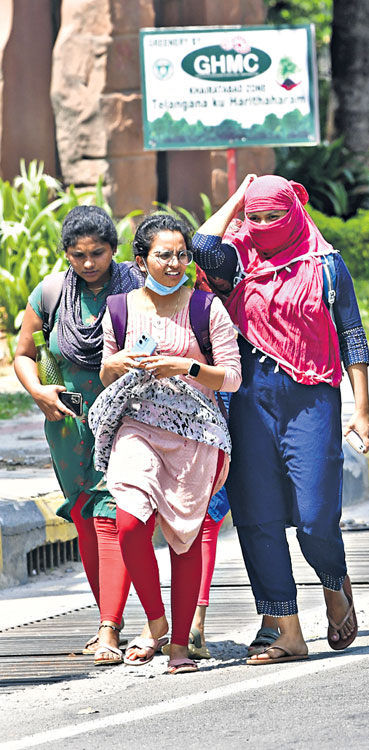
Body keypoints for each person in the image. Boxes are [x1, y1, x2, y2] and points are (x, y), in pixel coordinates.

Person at [192, 174, 369, 665]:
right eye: (257, 217)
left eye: (275, 215)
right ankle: (287, 631)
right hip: (248, 402)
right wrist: (241, 196)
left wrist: (362, 410)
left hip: (312, 399)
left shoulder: (327, 266)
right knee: (258, 519)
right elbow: (202, 244)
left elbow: (352, 336)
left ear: (295, 209)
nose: (266, 225)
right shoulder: (238, 262)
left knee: (316, 518)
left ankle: (334, 580)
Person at [91, 212, 241, 675]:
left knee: (186, 537)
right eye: (164, 255)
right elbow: (105, 373)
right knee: (131, 524)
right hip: (137, 425)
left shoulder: (206, 308)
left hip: (196, 432)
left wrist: (187, 368)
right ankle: (155, 621)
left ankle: (179, 645)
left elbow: (232, 378)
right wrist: (119, 361)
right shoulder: (119, 307)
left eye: (181, 255)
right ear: (141, 261)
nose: (175, 263)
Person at [12, 205, 142, 666]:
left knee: (112, 515)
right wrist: (38, 391)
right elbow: (23, 353)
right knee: (86, 517)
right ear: (66, 252)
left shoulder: (139, 285)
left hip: (128, 414)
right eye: (78, 254)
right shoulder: (50, 291)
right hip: (67, 421)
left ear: (114, 249)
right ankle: (111, 618)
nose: (88, 264)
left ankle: (108, 627)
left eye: (98, 253)